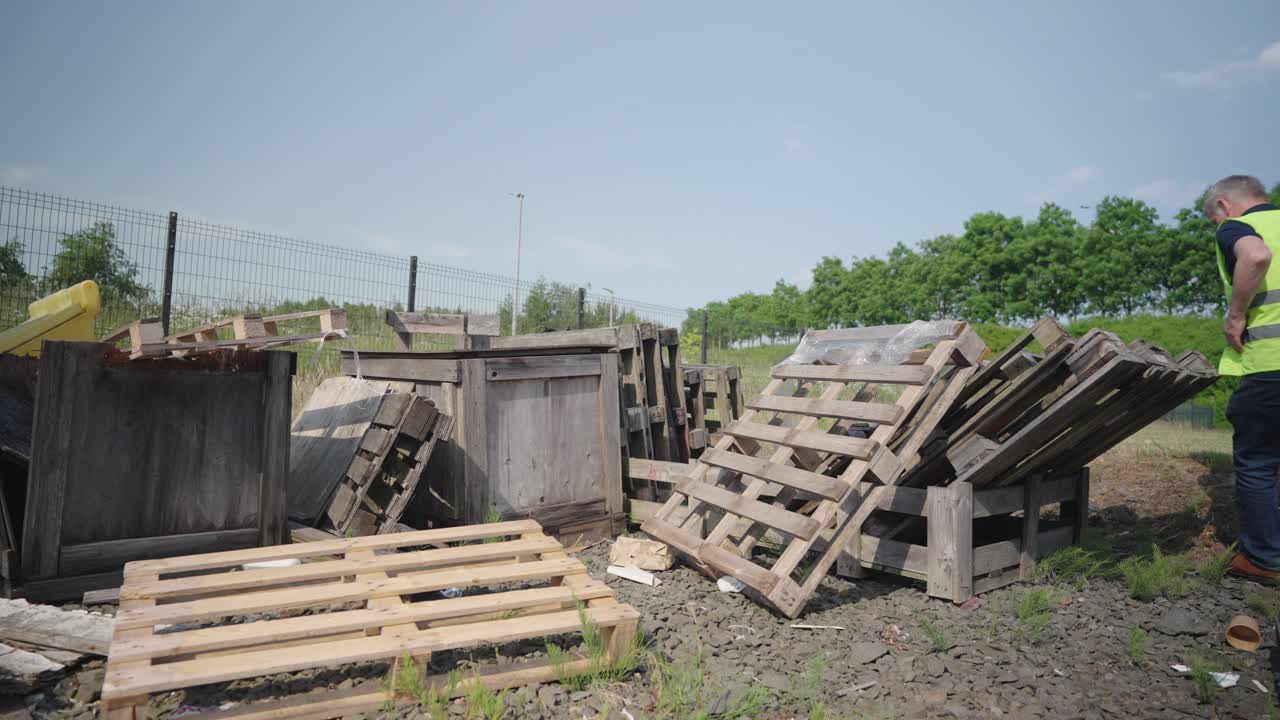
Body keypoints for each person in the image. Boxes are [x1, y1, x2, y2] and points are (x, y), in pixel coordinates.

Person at [1204, 174, 1280, 579]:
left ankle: (1264, 560)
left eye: (1213, 220)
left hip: (1271, 365)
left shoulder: (1237, 226)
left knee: (1258, 463)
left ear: (1223, 206)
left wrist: (1235, 315)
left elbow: (1255, 256)